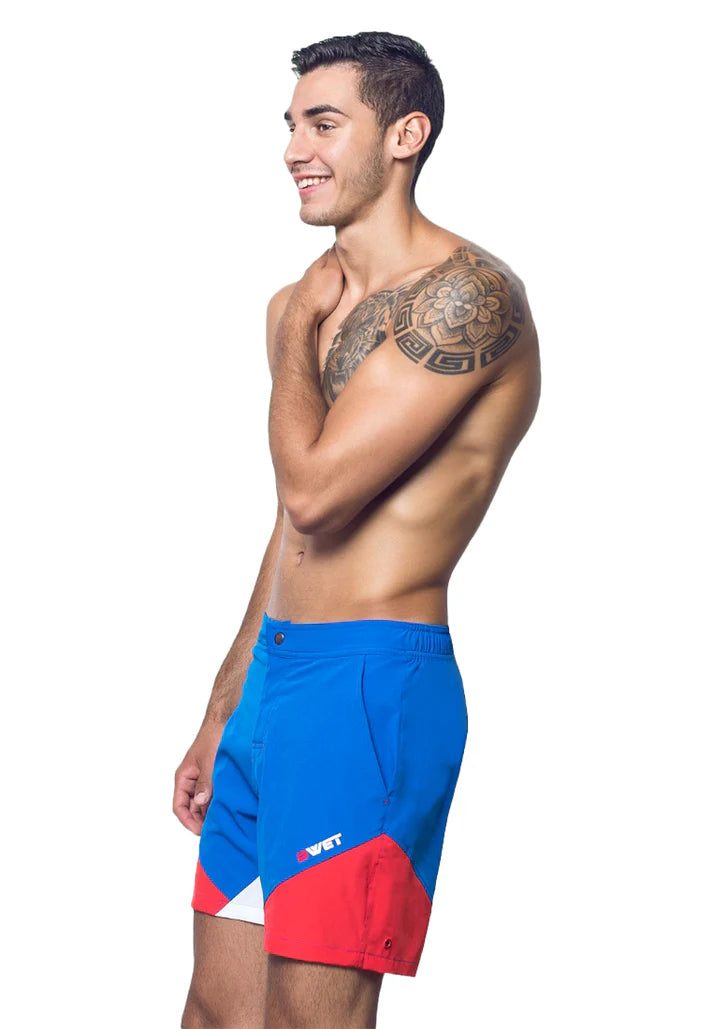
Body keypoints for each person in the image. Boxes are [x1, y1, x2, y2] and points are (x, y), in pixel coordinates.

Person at [175, 29, 541, 1028]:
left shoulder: (467, 299)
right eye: (291, 124)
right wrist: (224, 704)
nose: (294, 148)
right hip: (277, 674)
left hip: (370, 686)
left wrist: (298, 325)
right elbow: (288, 534)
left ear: (403, 135)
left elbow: (316, 495)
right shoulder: (307, 302)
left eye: (324, 123)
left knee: (310, 1020)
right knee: (215, 1010)